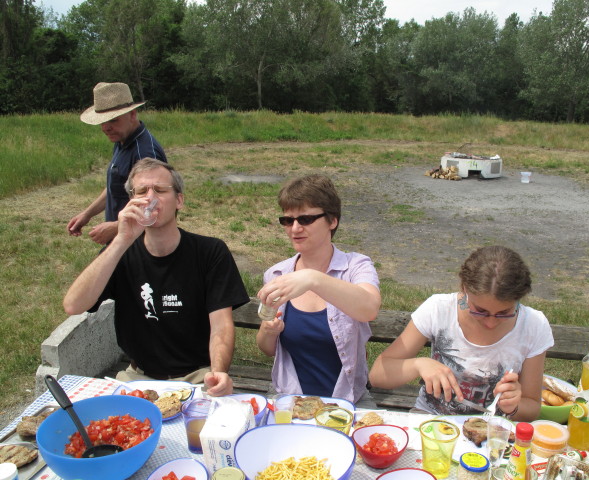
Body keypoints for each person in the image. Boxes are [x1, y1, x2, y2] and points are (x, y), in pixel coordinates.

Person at [63, 158, 249, 396]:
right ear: (131, 202)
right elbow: (73, 305)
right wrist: (121, 240)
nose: (149, 198)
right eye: (141, 191)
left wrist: (219, 371)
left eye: (160, 190)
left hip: (197, 376)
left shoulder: (210, 252)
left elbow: (221, 325)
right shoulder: (121, 252)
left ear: (179, 200)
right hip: (137, 377)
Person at [369, 245, 553, 421]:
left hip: (492, 431)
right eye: (479, 311)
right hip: (431, 421)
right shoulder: (439, 309)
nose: (490, 323)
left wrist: (514, 406)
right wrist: (419, 365)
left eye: (504, 313)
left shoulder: (533, 325)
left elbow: (532, 407)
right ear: (464, 289)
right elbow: (378, 375)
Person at [256, 174, 381, 406]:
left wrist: (313, 279)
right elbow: (267, 349)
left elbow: (369, 308)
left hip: (347, 399)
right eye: (287, 220)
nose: (295, 228)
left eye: (305, 219)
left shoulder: (355, 266)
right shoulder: (276, 275)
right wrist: (269, 331)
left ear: (332, 221)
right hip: (290, 399)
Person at [67, 82, 167, 245]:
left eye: (113, 120)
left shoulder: (145, 153)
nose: (105, 128)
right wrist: (87, 214)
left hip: (140, 244)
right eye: (102, 121)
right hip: (123, 240)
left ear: (132, 115)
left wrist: (115, 227)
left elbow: (155, 204)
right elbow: (117, 185)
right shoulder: (122, 140)